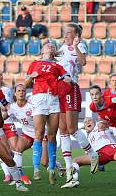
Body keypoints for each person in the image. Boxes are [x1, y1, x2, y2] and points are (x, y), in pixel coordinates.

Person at [56, 23, 99, 187]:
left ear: (75, 35)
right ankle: (69, 171)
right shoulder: (60, 49)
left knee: (72, 128)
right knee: (63, 131)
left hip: (71, 89)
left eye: (69, 32)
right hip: (60, 91)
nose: (66, 34)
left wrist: (75, 46)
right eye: (65, 32)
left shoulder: (79, 45)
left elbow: (83, 62)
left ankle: (92, 154)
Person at [25, 43, 71, 185]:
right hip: (39, 97)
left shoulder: (58, 66)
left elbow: (68, 79)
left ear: (54, 51)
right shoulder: (35, 63)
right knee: (38, 133)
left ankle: (51, 169)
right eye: (47, 45)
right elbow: (26, 83)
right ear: (43, 50)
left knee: (52, 135)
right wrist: (31, 77)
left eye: (52, 45)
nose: (50, 46)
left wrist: (62, 82)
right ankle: (36, 168)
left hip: (53, 99)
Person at [0, 71, 31, 185]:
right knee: (3, 151)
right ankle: (8, 175)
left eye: (0, 75)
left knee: (15, 149)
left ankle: (20, 174)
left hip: (8, 122)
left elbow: (7, 107)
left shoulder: (6, 90)